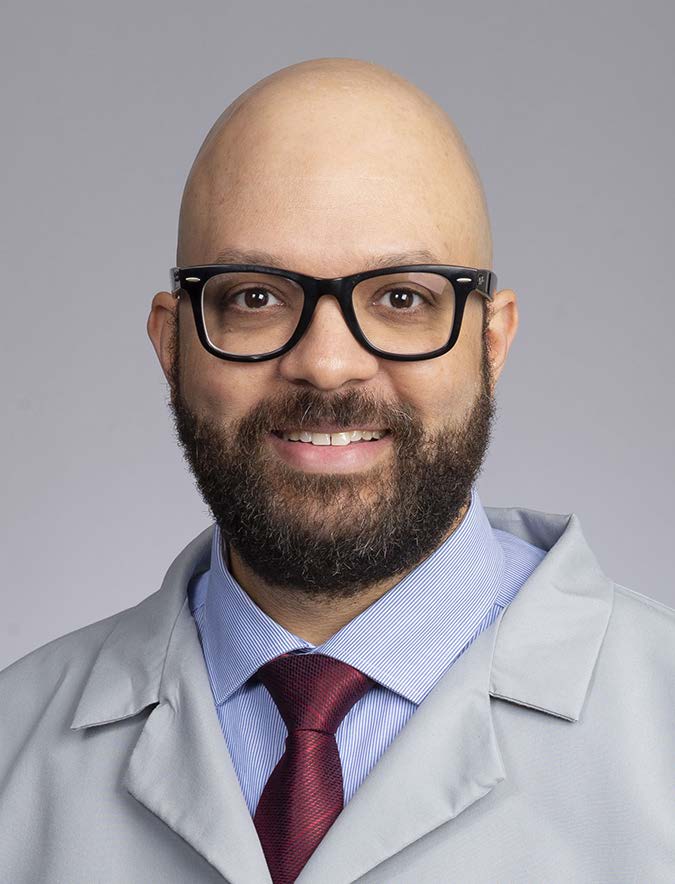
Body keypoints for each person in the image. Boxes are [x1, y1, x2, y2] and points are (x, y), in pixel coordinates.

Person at [0, 57, 673, 884]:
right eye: (254, 297)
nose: (326, 365)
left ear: (490, 343)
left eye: (401, 298)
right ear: (171, 344)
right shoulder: (12, 745)